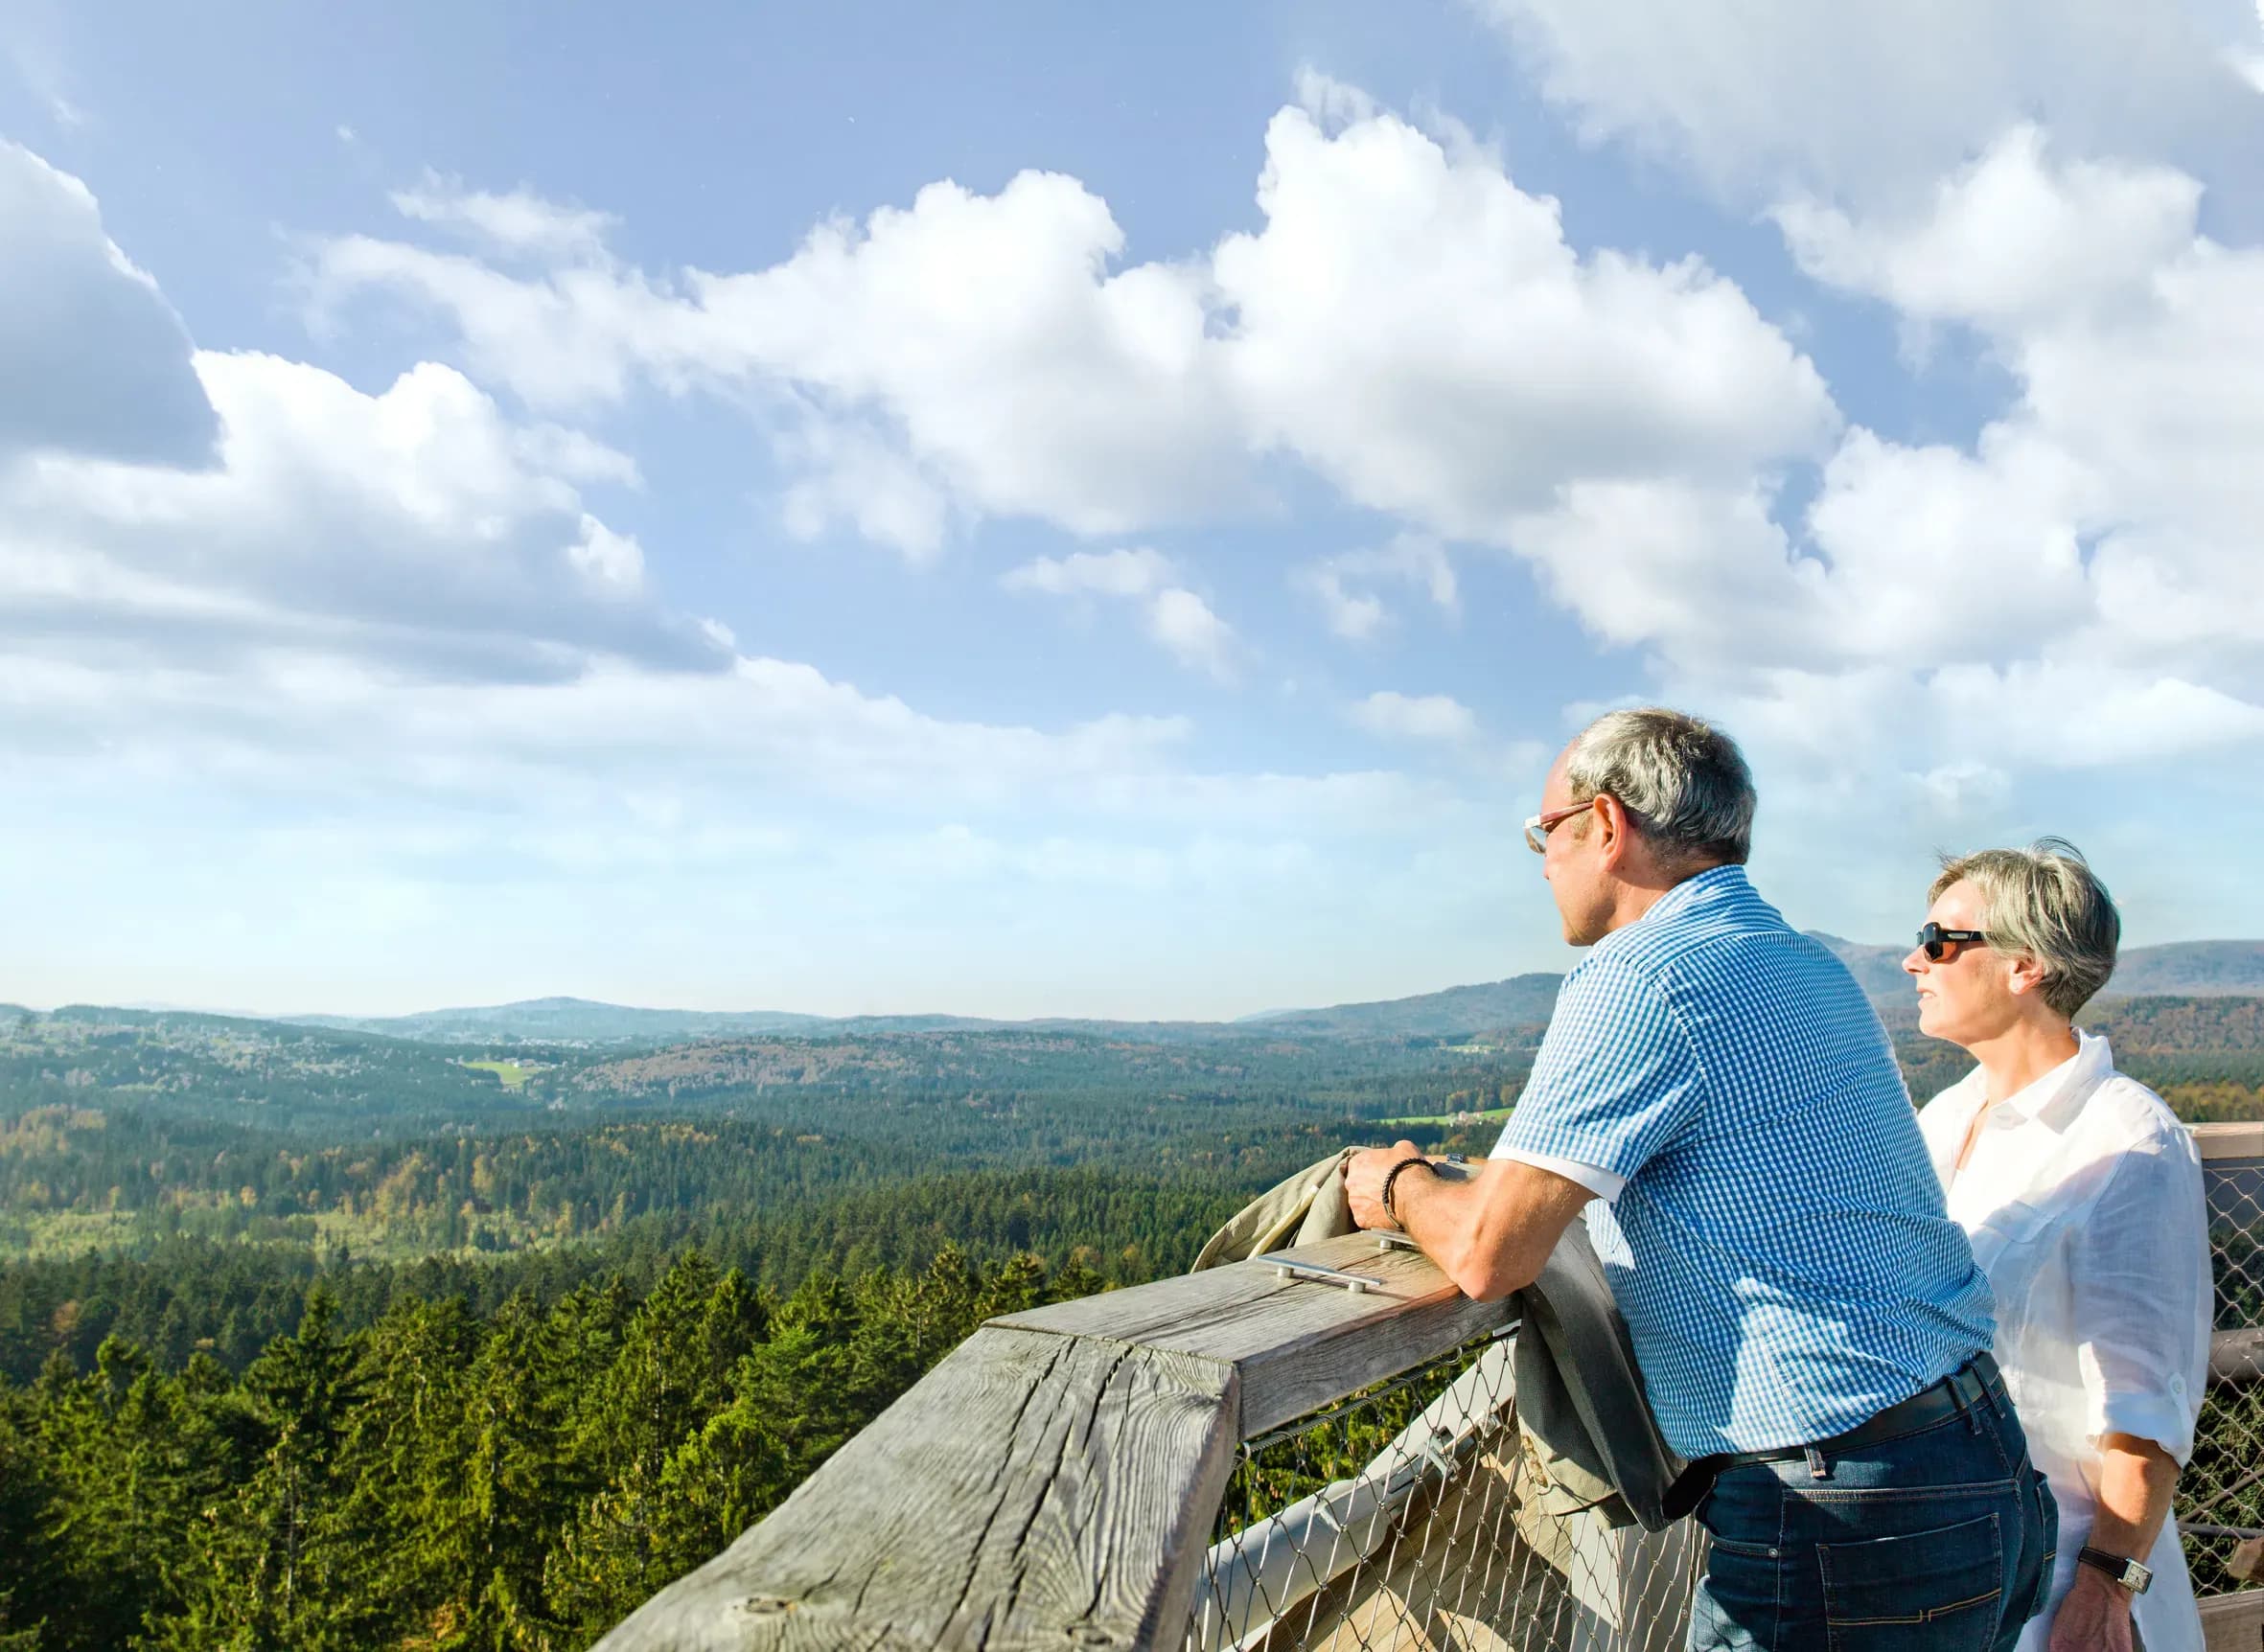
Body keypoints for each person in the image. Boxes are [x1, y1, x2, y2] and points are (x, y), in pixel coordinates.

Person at [1346, 706, 2054, 1651]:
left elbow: (1487, 1249)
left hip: (1837, 1513)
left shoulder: (1644, 975)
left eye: (1543, 831)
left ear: (1606, 824)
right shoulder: (1806, 963)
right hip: (1979, 1458)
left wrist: (1396, 1182)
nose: (1542, 858)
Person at [1906, 841, 2210, 1652]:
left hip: (2067, 1582)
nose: (1913, 959)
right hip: (1953, 1566)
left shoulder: (2130, 1141)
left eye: (1940, 941)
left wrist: (2108, 1588)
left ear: (2025, 966)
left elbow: (2147, 1403)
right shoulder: (1943, 1119)